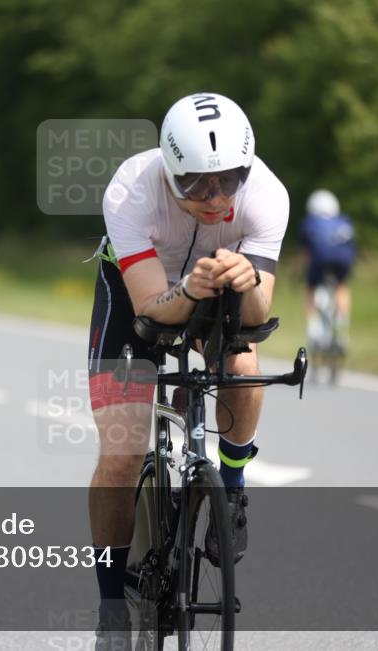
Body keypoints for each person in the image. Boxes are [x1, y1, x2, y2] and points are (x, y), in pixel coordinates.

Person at [86, 93, 289, 648]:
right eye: (197, 184)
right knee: (123, 452)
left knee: (242, 361)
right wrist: (189, 288)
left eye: (229, 179)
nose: (216, 197)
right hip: (138, 294)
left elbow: (257, 316)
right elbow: (152, 307)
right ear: (169, 170)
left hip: (218, 288)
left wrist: (246, 280)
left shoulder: (267, 195)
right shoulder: (131, 190)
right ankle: (110, 609)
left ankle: (232, 483)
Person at [301, 189, 355, 353]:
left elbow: (307, 252)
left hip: (319, 261)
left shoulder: (310, 222)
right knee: (341, 286)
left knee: (310, 287)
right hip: (343, 262)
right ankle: (341, 326)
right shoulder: (344, 221)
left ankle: (313, 326)